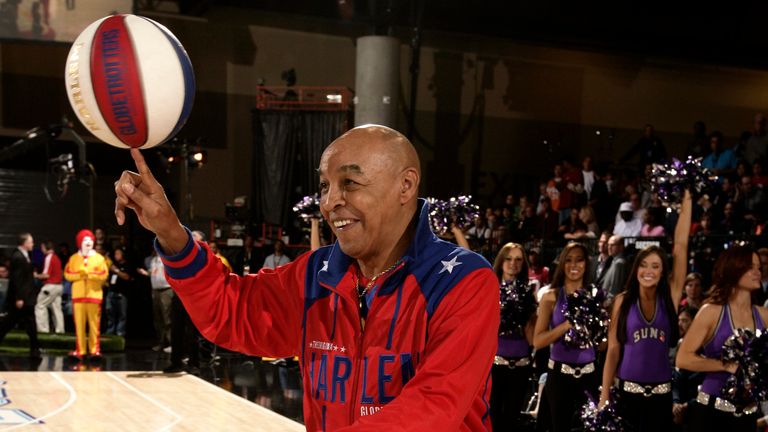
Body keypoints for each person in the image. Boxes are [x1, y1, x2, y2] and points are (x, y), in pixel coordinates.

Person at [113, 124, 500, 430]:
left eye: (350, 182)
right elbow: (230, 311)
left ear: (406, 185)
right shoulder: (317, 273)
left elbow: (433, 409)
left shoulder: (463, 281)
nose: (330, 201)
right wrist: (171, 233)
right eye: (325, 186)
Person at [599, 189, 691, 431]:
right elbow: (613, 351)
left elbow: (681, 246)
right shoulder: (622, 301)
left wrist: (687, 198)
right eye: (644, 265)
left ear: (662, 272)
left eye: (656, 266)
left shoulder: (669, 297)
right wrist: (604, 397)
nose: (649, 271)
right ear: (636, 268)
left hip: (661, 396)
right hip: (626, 394)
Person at [677, 246, 768, 430]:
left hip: (747, 414)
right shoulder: (711, 311)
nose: (758, 272)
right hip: (711, 411)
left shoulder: (764, 315)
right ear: (734, 269)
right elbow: (683, 358)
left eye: (759, 267)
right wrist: (727, 365)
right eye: (751, 267)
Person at [533, 242, 597, 432]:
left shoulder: (595, 296)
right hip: (559, 377)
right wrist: (568, 324)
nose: (574, 265)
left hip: (589, 376)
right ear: (562, 264)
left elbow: (602, 345)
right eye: (568, 260)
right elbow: (538, 340)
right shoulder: (551, 296)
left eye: (579, 260)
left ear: (586, 264)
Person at [490, 243, 536, 431]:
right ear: (501, 261)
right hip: (493, 366)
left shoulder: (528, 292)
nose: (513, 264)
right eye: (508, 258)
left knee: (511, 420)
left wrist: (531, 313)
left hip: (521, 366)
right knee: (491, 418)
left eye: (518, 259)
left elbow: (532, 338)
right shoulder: (489, 288)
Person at [64, 229, 109, 359]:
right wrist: (80, 275)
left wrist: (89, 274)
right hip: (78, 297)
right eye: (85, 239)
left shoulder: (99, 258)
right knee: (79, 325)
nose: (88, 242)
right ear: (79, 242)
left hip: (94, 296)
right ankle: (81, 350)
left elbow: (104, 275)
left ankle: (94, 350)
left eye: (90, 239)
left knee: (94, 325)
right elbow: (67, 274)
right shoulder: (73, 259)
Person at [0, 233, 41, 357]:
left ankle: (35, 349)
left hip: (26, 297)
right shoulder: (18, 256)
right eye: (31, 242)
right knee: (10, 322)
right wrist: (19, 298)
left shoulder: (25, 255)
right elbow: (17, 279)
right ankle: (35, 349)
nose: (33, 244)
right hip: (21, 298)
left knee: (22, 322)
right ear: (25, 243)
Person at [34, 240, 64, 334]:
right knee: (56, 308)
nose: (41, 249)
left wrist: (36, 275)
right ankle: (60, 330)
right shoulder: (56, 258)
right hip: (59, 286)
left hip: (50, 286)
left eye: (42, 247)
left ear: (45, 247)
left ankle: (43, 330)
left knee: (40, 305)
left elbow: (46, 275)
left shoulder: (49, 257)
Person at [106, 248, 133, 337]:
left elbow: (126, 277)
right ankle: (110, 332)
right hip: (111, 292)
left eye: (118, 254)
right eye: (115, 254)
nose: (116, 256)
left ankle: (120, 333)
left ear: (123, 255)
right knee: (110, 313)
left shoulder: (126, 265)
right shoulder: (114, 265)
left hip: (122, 294)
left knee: (122, 315)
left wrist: (117, 271)